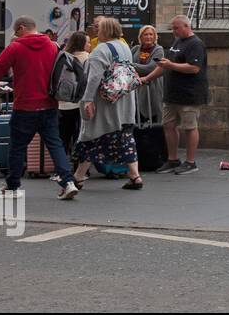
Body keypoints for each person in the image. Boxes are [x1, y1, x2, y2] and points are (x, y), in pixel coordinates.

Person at [0, 16, 79, 199]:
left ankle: (13, 186)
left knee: (17, 147)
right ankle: (68, 182)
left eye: (16, 32)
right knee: (55, 145)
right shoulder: (53, 46)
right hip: (49, 104)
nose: (16, 35)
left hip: (25, 106)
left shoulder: (16, 47)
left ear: (21, 28)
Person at [69, 18, 142, 190]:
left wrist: (87, 99)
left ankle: (78, 177)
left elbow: (94, 78)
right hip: (124, 99)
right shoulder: (124, 47)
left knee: (92, 136)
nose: (96, 32)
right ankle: (135, 176)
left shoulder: (100, 50)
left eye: (99, 29)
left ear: (106, 31)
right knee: (125, 137)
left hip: (105, 102)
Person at [140, 15, 207, 174]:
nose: (173, 31)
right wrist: (147, 78)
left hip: (189, 93)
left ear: (186, 26)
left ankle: (191, 162)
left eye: (176, 28)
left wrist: (171, 65)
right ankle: (172, 159)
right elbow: (164, 65)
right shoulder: (177, 41)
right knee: (168, 125)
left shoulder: (196, 44)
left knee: (190, 127)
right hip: (171, 94)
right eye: (172, 28)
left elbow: (194, 68)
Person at [56, 31, 91, 154]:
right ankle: (80, 168)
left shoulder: (62, 56)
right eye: (88, 42)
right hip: (80, 102)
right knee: (80, 136)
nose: (90, 44)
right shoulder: (87, 58)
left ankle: (61, 166)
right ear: (82, 43)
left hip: (63, 102)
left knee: (63, 136)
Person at [130, 25, 166, 128]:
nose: (148, 37)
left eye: (151, 34)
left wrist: (131, 66)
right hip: (137, 87)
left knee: (154, 114)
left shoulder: (158, 49)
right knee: (137, 116)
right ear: (140, 37)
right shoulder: (136, 49)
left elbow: (150, 68)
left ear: (155, 37)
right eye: (145, 34)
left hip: (152, 86)